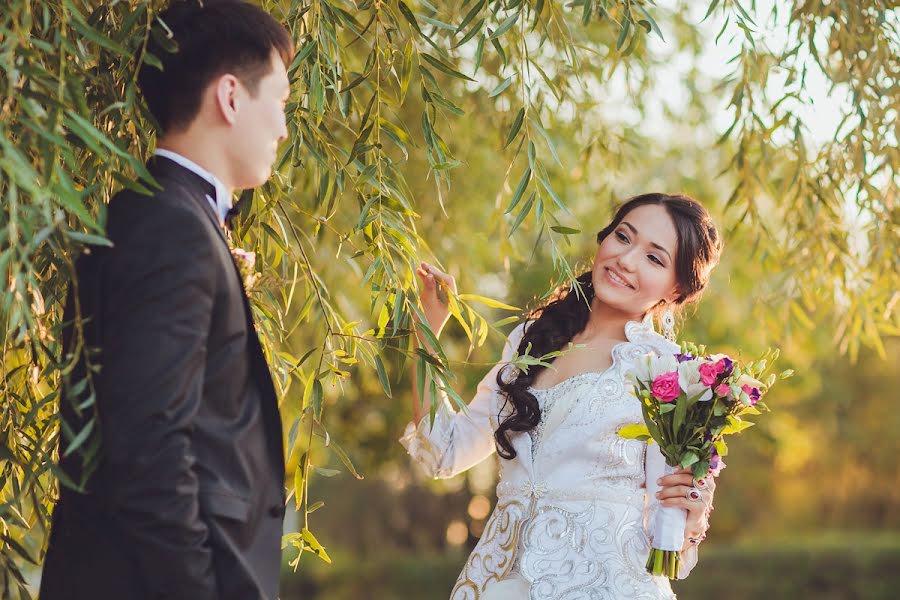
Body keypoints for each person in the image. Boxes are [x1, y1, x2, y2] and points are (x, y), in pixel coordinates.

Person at [40, 2, 293, 599]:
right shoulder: (170, 228)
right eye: (279, 103)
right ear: (230, 97)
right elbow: (149, 451)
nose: (283, 128)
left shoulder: (160, 216)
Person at [402, 193, 723, 599]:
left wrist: (691, 515)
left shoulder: (667, 374)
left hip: (607, 585)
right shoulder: (529, 341)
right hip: (498, 582)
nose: (626, 259)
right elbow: (442, 450)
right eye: (623, 237)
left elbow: (670, 536)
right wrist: (427, 331)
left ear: (676, 290)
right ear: (604, 239)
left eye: (654, 258)